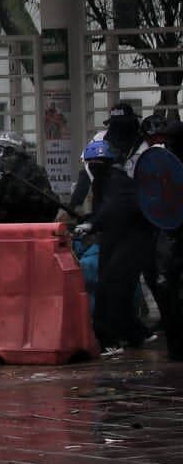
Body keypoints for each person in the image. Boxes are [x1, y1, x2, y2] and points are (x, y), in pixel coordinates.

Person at [77, 137, 154, 356]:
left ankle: (109, 341)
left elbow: (114, 208)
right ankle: (136, 333)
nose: (94, 166)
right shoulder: (102, 183)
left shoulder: (117, 182)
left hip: (130, 242)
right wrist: (90, 220)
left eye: (98, 162)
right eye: (91, 162)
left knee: (110, 291)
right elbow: (106, 210)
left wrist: (92, 223)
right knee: (120, 292)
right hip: (116, 240)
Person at [0, 129, 59, 226]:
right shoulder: (26, 168)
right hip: (24, 227)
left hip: (20, 229)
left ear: (10, 151)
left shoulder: (21, 173)